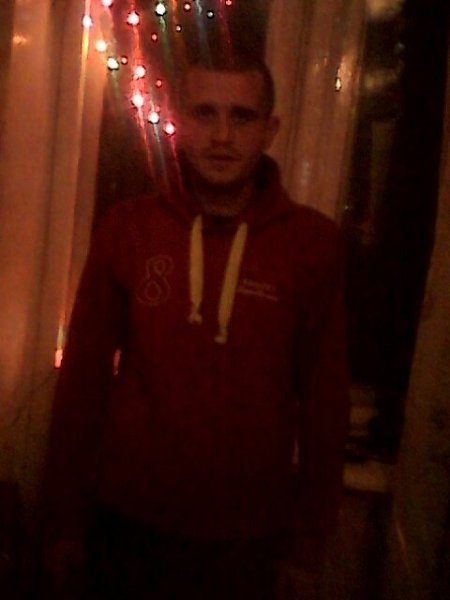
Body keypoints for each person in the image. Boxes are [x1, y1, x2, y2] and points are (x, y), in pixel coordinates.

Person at [42, 55, 349, 599]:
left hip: (250, 539)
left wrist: (308, 545)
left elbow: (325, 403)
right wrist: (63, 520)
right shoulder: (128, 229)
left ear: (270, 130)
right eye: (205, 114)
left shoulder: (312, 245)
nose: (223, 136)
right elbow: (82, 383)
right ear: (179, 122)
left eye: (242, 116)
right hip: (126, 524)